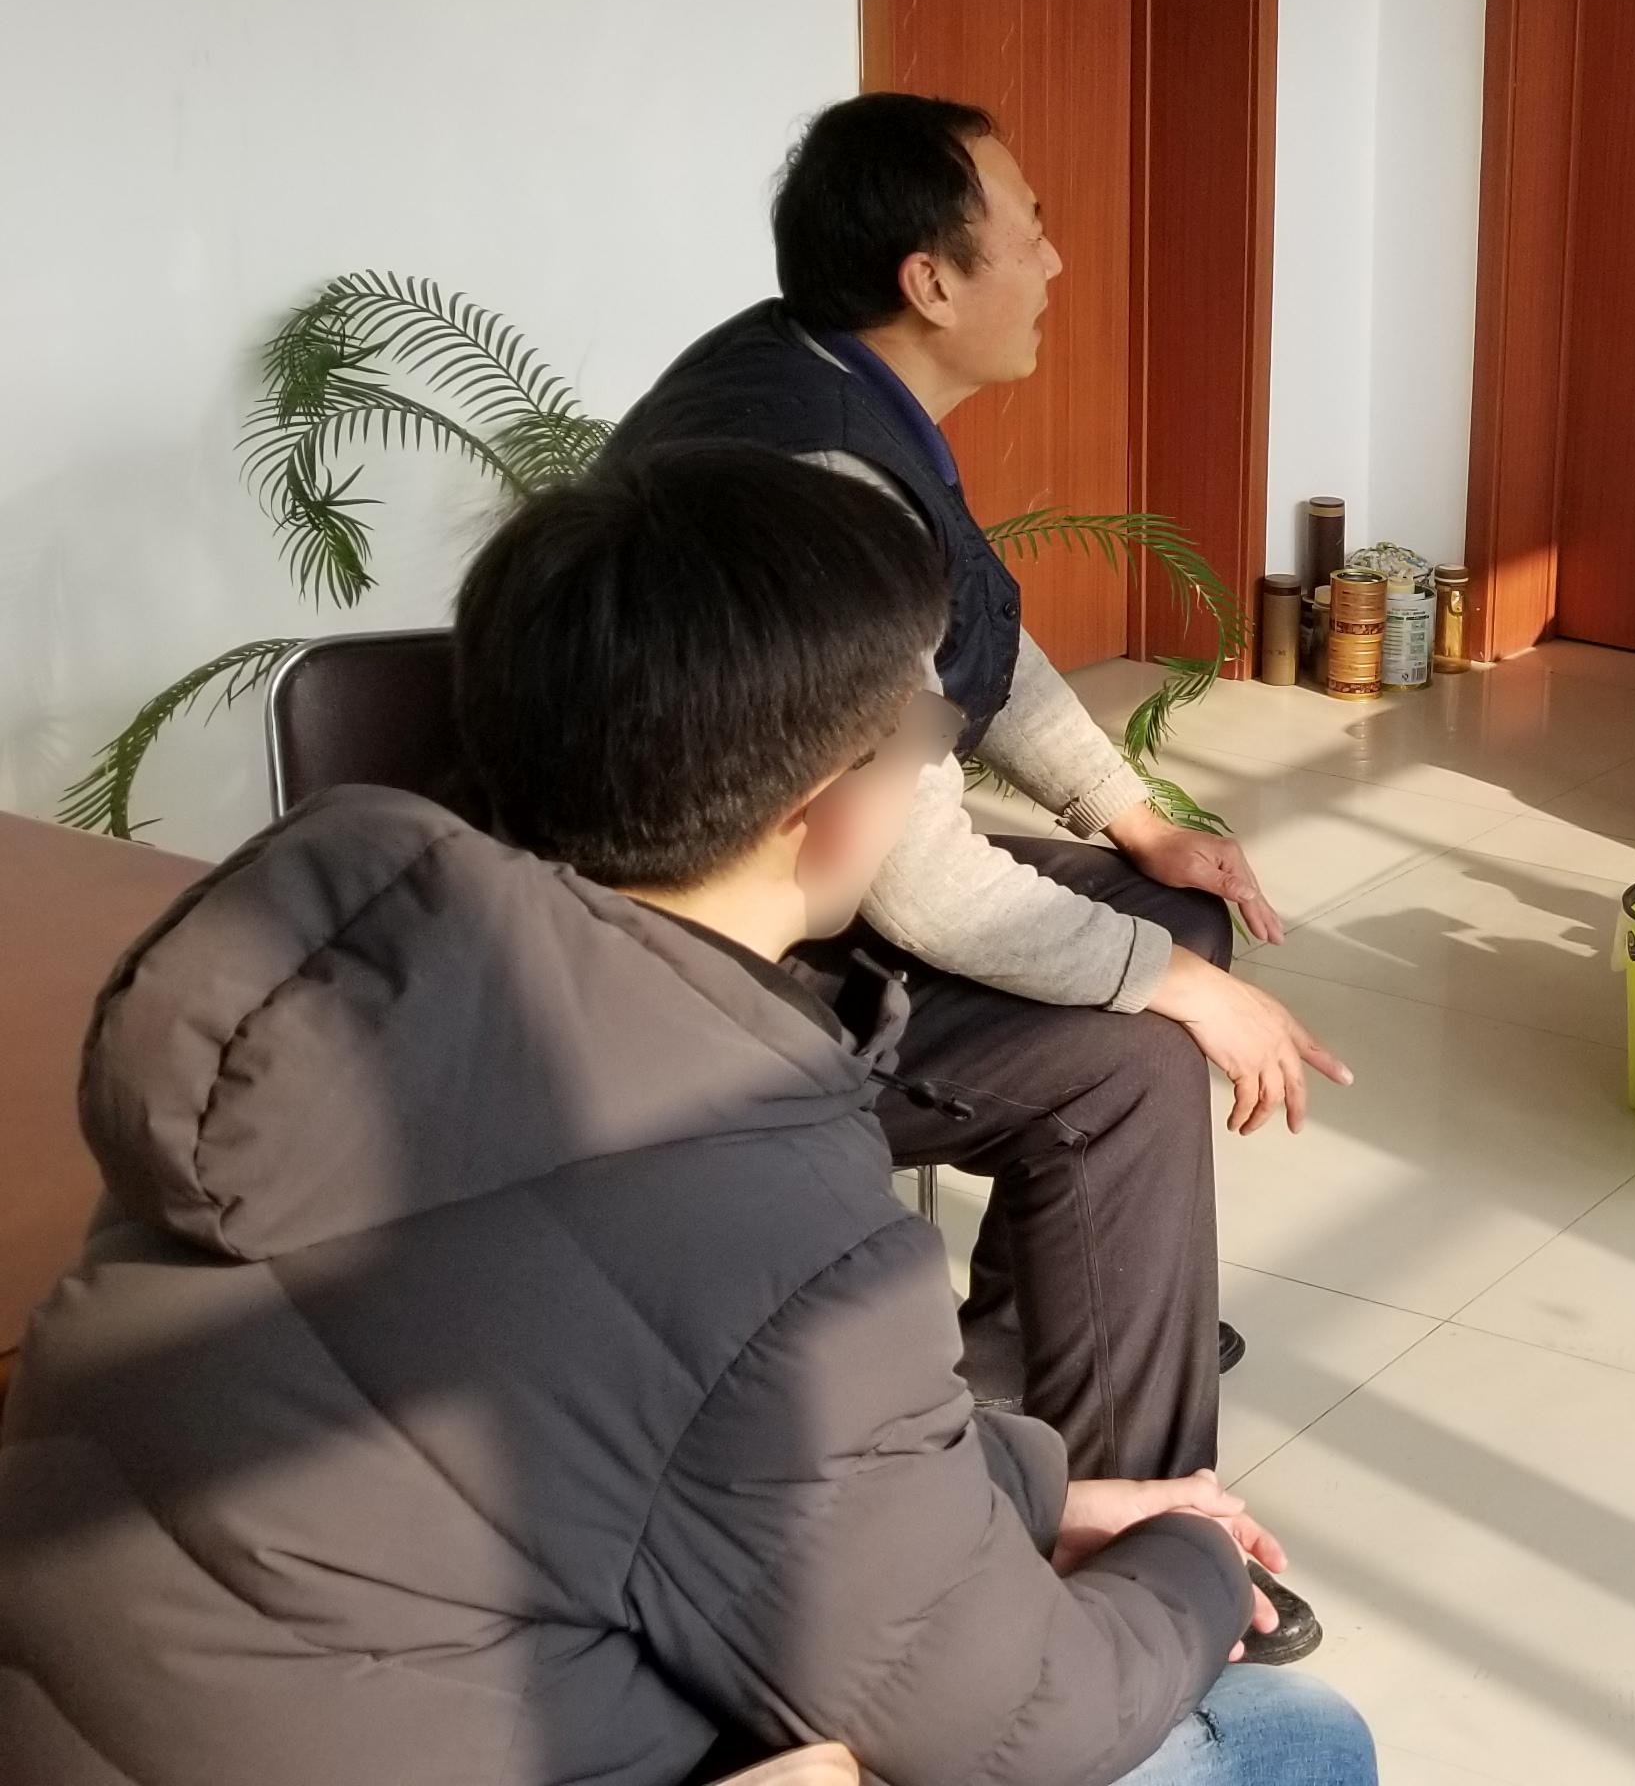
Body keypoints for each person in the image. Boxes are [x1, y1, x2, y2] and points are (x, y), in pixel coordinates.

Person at [0, 446, 1374, 1784]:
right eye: (924, 742)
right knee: (1296, 1742)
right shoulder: (760, 1215)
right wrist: (1196, 1560)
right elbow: (1023, 1726)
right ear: (832, 816)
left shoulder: (324, 995)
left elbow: (655, 1440)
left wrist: (1028, 1494)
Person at [606, 95, 1339, 1654]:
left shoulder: (816, 372)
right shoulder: (830, 475)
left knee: (1172, 909)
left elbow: (970, 637)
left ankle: (1035, 1370)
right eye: (1031, 230)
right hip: (720, 968)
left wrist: (1131, 818)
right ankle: (1143, 1526)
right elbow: (921, 884)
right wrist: (1181, 993)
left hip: (780, 881)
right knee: (1137, 1063)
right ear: (931, 282)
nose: (1056, 264)